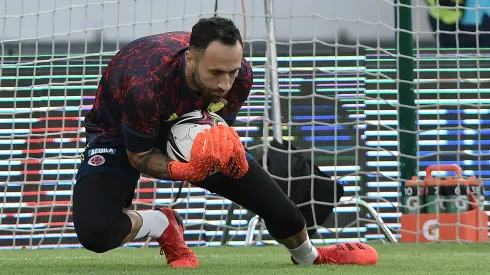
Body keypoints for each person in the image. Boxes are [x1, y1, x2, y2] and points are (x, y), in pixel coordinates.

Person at [73, 16, 379, 268]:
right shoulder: (145, 85)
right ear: (190, 59)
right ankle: (162, 223)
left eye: (232, 72)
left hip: (188, 125)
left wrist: (218, 151)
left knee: (277, 205)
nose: (224, 84)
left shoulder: (241, 78)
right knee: (96, 232)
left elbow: (216, 122)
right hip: (117, 131)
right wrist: (185, 170)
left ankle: (310, 258)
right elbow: (138, 155)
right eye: (216, 73)